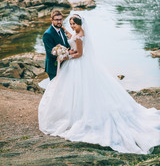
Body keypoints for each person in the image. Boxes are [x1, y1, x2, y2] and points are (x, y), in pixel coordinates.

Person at [38, 13, 160, 155]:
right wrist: (68, 38)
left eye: (74, 24)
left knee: (78, 89)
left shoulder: (80, 34)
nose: (71, 26)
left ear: (80, 24)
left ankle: (76, 114)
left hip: (76, 63)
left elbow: (80, 53)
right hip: (67, 65)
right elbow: (68, 42)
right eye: (70, 23)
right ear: (53, 20)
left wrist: (67, 55)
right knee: (66, 89)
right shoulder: (69, 33)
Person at [43, 9, 70, 80]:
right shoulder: (47, 34)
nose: (59, 22)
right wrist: (64, 55)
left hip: (64, 65)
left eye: (60, 19)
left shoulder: (61, 30)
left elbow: (66, 45)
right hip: (53, 67)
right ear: (51, 20)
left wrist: (70, 52)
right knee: (55, 89)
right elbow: (50, 53)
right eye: (57, 20)